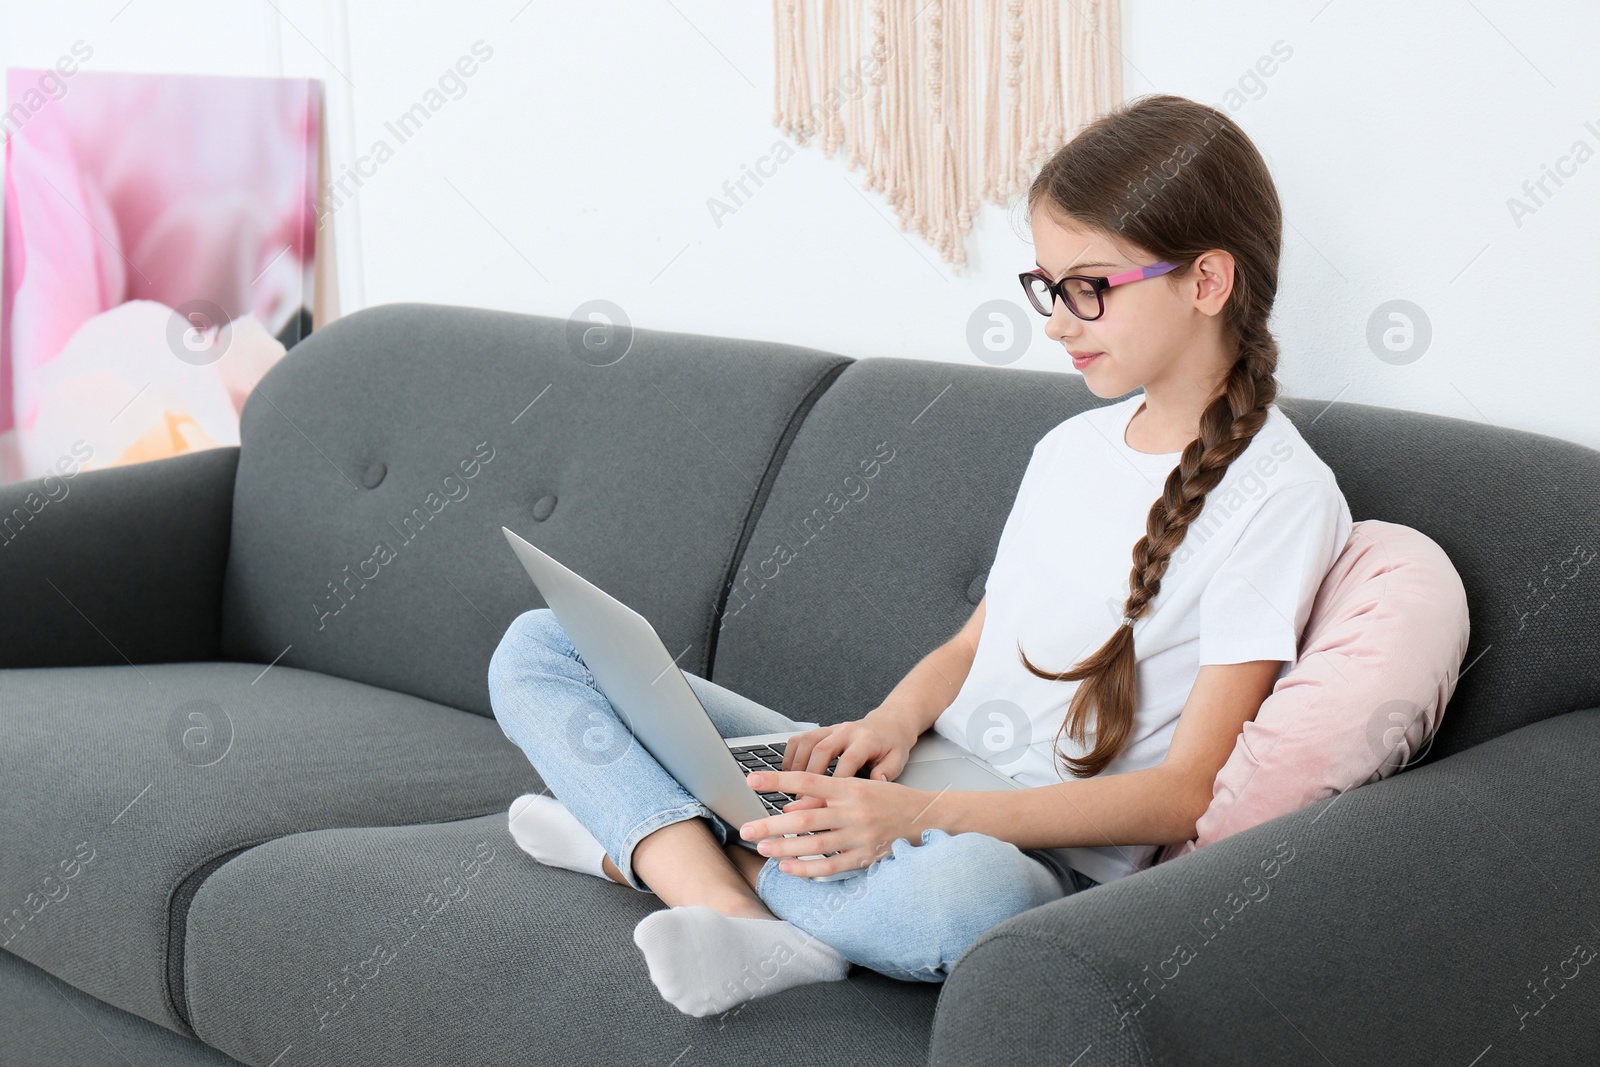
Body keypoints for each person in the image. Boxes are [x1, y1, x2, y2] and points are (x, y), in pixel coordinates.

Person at [487, 92, 1352, 1018]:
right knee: (541, 646)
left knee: (961, 903)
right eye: (1047, 287)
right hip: (914, 781)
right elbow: (978, 641)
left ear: (1208, 282)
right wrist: (892, 725)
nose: (1058, 322)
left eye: (1089, 288)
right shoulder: (1069, 450)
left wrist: (923, 818)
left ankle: (645, 841)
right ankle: (722, 897)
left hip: (1017, 852)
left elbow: (1182, 795)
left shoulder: (1283, 497)